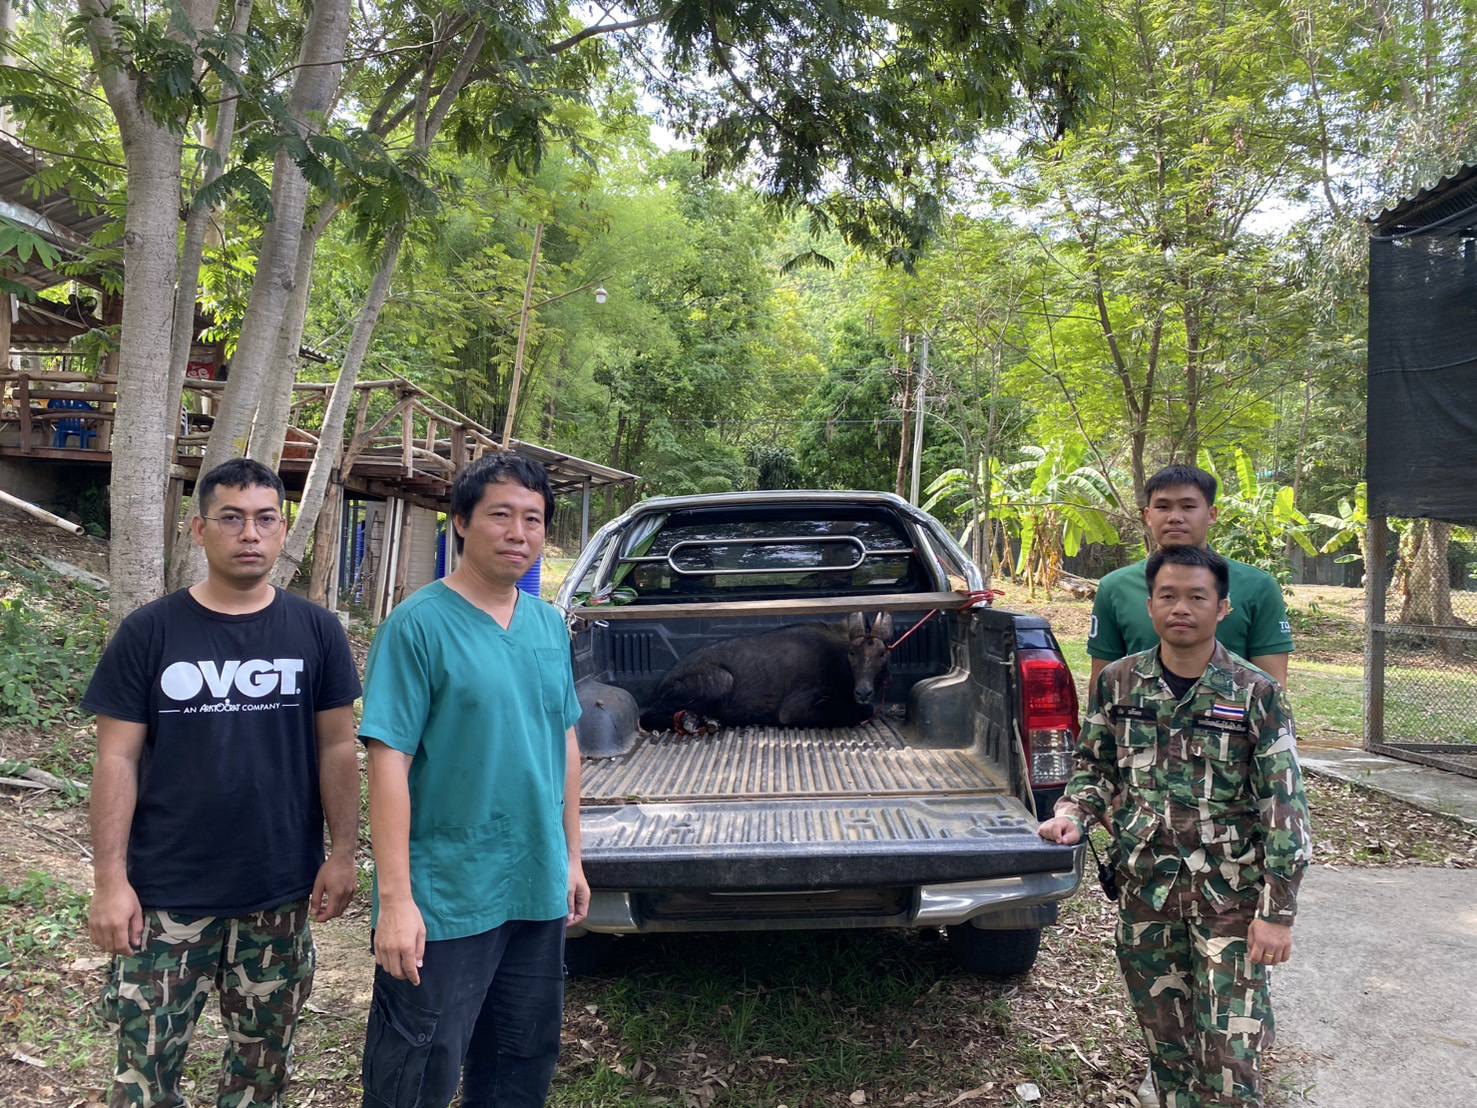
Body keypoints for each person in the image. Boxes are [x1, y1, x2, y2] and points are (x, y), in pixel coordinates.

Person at [83, 457, 362, 1107]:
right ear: (198, 529)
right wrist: (110, 881)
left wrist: (345, 853)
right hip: (164, 897)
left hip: (278, 892)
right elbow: (116, 759)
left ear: (283, 529)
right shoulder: (150, 632)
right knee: (143, 1079)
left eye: (265, 519)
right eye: (231, 518)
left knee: (260, 1077)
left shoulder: (316, 631)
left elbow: (337, 746)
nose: (250, 534)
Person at [1039, 546, 1311, 1108]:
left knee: (1231, 1059)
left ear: (1222, 607)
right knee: (1168, 1048)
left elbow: (1283, 808)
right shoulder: (1118, 683)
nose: (1180, 608)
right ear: (1150, 604)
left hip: (1231, 900)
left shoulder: (1256, 692)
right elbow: (1095, 768)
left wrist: (1277, 914)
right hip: (1147, 894)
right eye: (1167, 595)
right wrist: (1072, 814)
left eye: (1196, 597)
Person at [358, 454, 587, 1108]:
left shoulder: (548, 625)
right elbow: (388, 763)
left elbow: (565, 743)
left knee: (519, 1064)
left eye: (533, 520)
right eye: (501, 515)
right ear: (460, 522)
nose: (518, 533)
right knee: (415, 1073)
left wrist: (572, 857)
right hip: (446, 897)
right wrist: (396, 901)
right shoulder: (418, 626)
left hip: (534, 885)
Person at [1088, 465, 1293, 689]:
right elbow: (1103, 685)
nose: (1175, 517)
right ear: (1148, 515)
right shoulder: (1115, 587)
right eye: (1163, 506)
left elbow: (1272, 688)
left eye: (1188, 506)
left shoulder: (1257, 586)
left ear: (1212, 514)